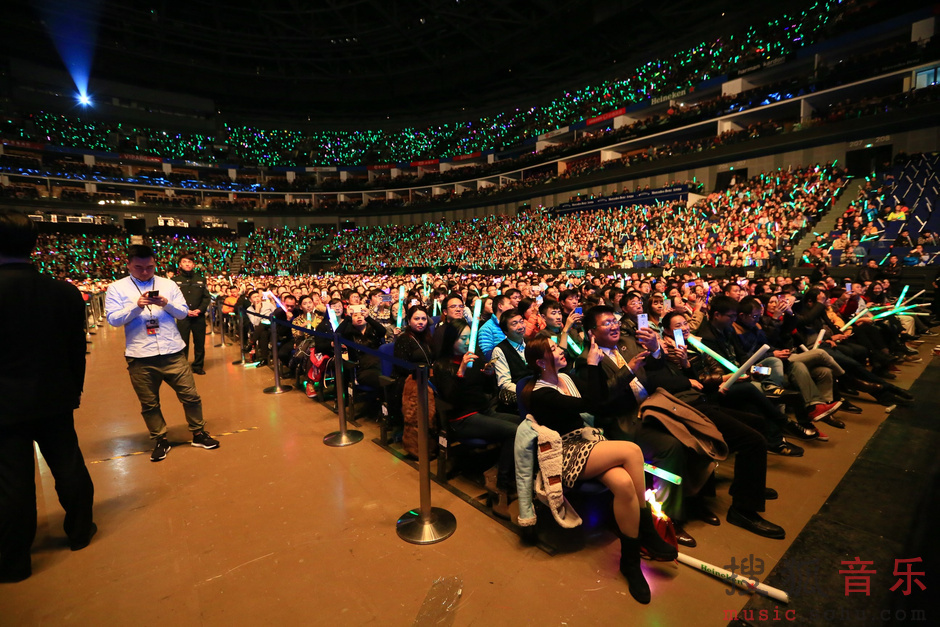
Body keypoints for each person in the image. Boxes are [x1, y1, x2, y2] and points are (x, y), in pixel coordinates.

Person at [523, 335, 677, 603]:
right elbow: (591, 404)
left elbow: (601, 396)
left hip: (586, 442)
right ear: (540, 362)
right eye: (554, 348)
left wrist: (608, 369)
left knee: (625, 485)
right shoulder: (541, 393)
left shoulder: (565, 379)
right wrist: (592, 365)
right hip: (566, 452)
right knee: (632, 451)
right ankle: (647, 530)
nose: (560, 349)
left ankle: (630, 562)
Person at [0, 211, 96, 583]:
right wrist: (74, 389)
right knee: (68, 465)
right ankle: (80, 530)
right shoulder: (64, 292)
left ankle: (14, 560)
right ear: (34, 244)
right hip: (55, 394)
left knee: (12, 481)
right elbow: (77, 349)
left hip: (4, 404)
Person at [105, 244, 219, 462]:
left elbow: (183, 312)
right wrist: (136, 306)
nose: (145, 272)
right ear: (128, 265)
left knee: (191, 396)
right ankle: (160, 439)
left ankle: (198, 433)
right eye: (139, 267)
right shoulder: (117, 288)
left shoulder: (168, 284)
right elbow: (113, 319)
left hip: (172, 351)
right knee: (149, 403)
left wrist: (166, 304)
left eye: (150, 267)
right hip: (140, 355)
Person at [172, 254, 211, 375]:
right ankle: (183, 367)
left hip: (198, 316)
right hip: (183, 316)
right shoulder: (174, 281)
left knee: (199, 343)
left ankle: (198, 366)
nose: (188, 264)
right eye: (185, 262)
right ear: (180, 264)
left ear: (194, 265)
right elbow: (172, 299)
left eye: (190, 262)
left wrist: (200, 309)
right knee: (182, 342)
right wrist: (184, 311)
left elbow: (206, 297)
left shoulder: (201, 279)